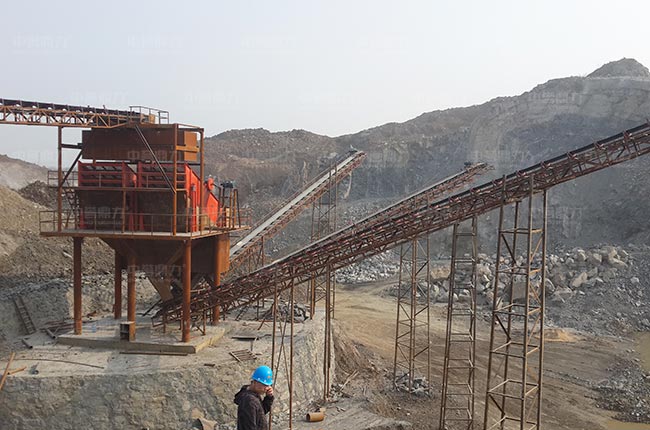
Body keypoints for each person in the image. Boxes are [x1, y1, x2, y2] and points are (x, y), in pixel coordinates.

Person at [234, 365, 274, 430]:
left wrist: (268, 397)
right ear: (255, 382)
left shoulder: (253, 395)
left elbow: (261, 412)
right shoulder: (249, 401)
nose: (267, 388)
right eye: (264, 385)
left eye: (268, 385)